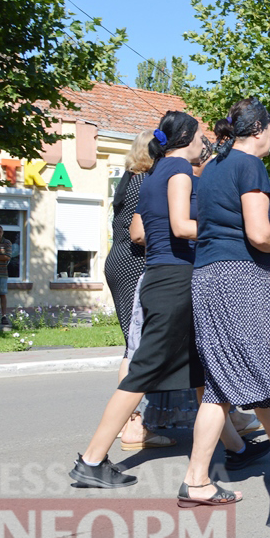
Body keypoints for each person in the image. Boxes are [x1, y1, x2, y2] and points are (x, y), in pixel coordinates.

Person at [68, 111, 219, 489]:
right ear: (186, 137)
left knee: (198, 367)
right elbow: (183, 226)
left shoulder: (151, 174)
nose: (205, 142)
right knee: (142, 371)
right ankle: (91, 460)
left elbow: (143, 228)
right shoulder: (180, 172)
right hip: (174, 279)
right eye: (200, 135)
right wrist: (227, 231)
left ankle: (232, 444)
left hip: (158, 276)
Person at [180, 97, 270, 506]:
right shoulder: (250, 165)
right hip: (239, 275)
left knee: (241, 372)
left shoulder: (211, 167)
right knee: (236, 376)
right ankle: (196, 479)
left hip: (208, 275)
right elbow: (259, 233)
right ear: (260, 129)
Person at [105, 131, 175, 450]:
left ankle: (140, 420)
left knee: (136, 343)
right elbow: (140, 233)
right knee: (134, 346)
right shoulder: (144, 180)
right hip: (133, 262)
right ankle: (132, 425)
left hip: (119, 260)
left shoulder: (129, 178)